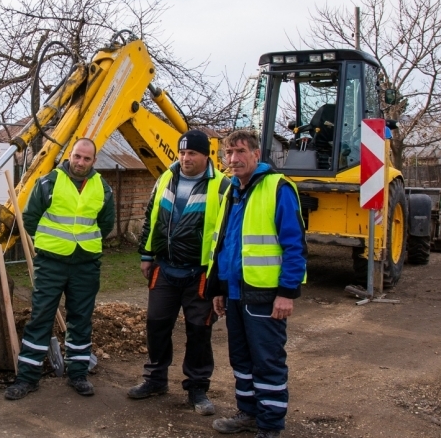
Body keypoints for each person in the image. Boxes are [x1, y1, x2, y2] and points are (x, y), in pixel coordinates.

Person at [207, 130, 307, 438]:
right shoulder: (232, 190)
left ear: (256, 155)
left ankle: (270, 425)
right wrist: (220, 289)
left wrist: (287, 293)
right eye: (229, 152)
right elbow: (225, 245)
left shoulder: (278, 188)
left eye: (240, 152)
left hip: (265, 295)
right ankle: (248, 413)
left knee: (267, 361)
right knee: (241, 359)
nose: (233, 158)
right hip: (235, 293)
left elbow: (295, 245)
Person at [4, 138, 115, 400]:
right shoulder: (48, 182)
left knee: (81, 319)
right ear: (69, 155)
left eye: (86, 158)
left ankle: (78, 374)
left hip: (85, 264)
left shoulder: (103, 188)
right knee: (41, 317)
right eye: (77, 156)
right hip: (51, 263)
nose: (80, 162)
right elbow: (30, 219)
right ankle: (27, 377)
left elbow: (106, 223)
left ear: (94, 161)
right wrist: (50, 243)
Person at [128, 129, 229, 415]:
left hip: (201, 273)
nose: (185, 158)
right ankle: (155, 379)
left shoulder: (222, 186)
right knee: (156, 325)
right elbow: (151, 217)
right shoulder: (166, 178)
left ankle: (197, 388)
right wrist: (146, 255)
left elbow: (226, 233)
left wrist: (219, 275)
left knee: (199, 331)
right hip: (164, 268)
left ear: (205, 155)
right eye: (182, 153)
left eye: (192, 153)